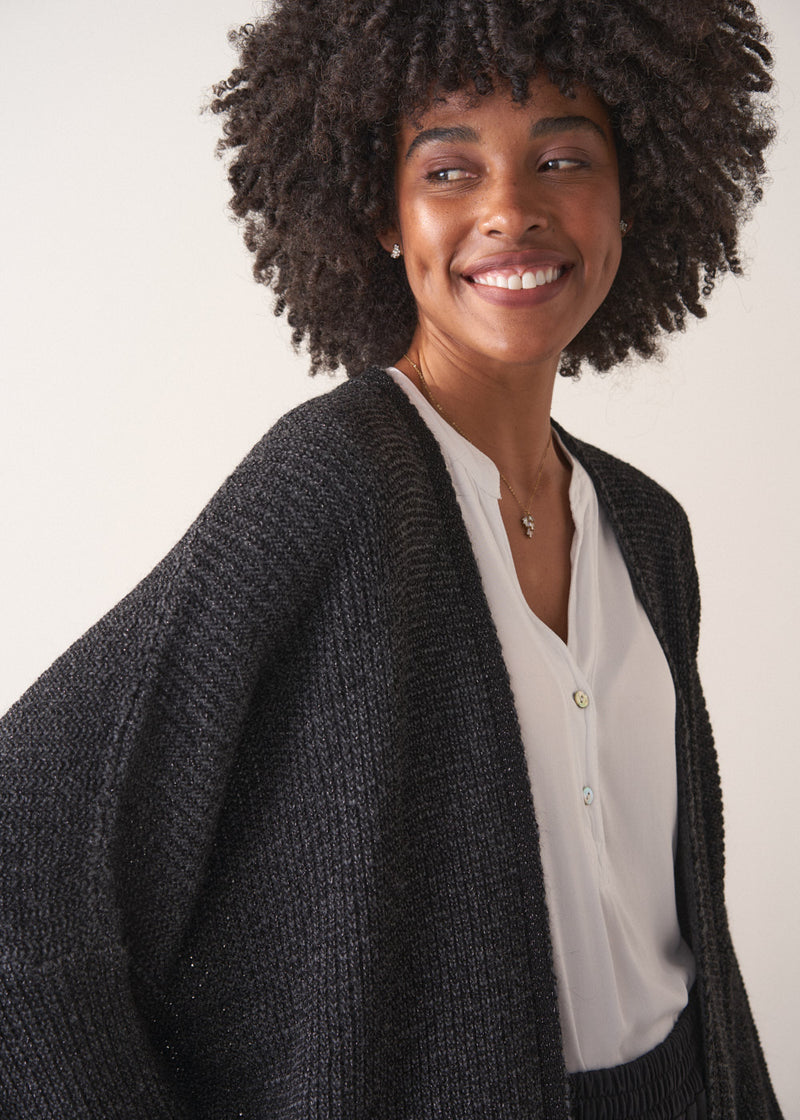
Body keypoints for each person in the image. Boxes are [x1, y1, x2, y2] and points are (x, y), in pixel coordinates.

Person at [0, 0, 785, 1117]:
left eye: (563, 158)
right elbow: (25, 856)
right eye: (449, 171)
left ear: (631, 192)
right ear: (382, 215)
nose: (510, 210)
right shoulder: (336, 485)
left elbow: (684, 935)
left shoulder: (647, 529)